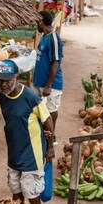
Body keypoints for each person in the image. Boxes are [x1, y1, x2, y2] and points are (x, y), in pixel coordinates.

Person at [0, 60, 55, 204]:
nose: (3, 84)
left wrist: (50, 147)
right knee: (15, 187)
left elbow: (48, 121)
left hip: (32, 151)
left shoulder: (31, 97)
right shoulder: (2, 97)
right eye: (0, 80)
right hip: (14, 148)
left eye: (7, 80)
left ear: (16, 77)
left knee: (30, 188)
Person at [32, 10, 63, 144]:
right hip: (39, 81)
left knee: (51, 110)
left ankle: (52, 136)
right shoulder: (44, 36)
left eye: (36, 23)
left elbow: (56, 62)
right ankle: (43, 134)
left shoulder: (54, 39)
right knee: (39, 110)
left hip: (51, 84)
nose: (36, 26)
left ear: (41, 22)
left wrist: (49, 85)